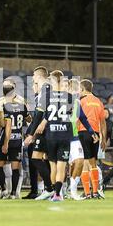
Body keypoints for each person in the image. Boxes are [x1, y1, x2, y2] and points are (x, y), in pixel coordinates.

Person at [34, 70, 97, 202]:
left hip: (73, 137)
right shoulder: (61, 99)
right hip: (60, 135)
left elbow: (83, 118)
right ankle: (58, 191)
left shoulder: (74, 101)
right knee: (58, 166)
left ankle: (72, 190)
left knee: (79, 161)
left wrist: (92, 132)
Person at [0, 79, 30, 199]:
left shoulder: (2, 103)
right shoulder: (22, 103)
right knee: (15, 166)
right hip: (18, 138)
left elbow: (2, 123)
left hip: (6, 137)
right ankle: (13, 192)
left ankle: (5, 190)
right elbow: (29, 119)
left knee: (0, 164)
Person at [24, 66, 54, 200]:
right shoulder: (43, 90)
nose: (33, 78)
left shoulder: (46, 89)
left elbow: (39, 113)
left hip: (46, 130)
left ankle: (50, 188)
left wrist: (31, 134)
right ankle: (53, 188)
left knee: (37, 158)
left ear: (39, 76)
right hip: (46, 129)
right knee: (46, 159)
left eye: (34, 75)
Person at [77, 79, 107, 199]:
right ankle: (95, 191)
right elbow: (103, 122)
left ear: (83, 89)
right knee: (93, 162)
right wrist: (104, 138)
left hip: (82, 132)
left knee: (84, 163)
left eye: (79, 89)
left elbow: (77, 119)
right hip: (95, 134)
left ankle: (87, 193)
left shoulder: (80, 101)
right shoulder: (98, 101)